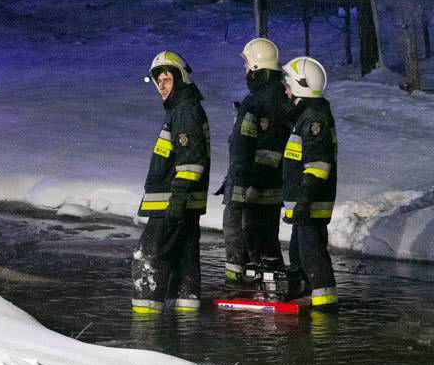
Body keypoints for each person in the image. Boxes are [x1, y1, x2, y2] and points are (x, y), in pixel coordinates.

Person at [132, 51, 211, 314]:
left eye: (167, 79)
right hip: (182, 205)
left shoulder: (184, 112)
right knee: (185, 265)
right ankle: (185, 331)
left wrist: (176, 202)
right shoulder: (185, 109)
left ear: (180, 79)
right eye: (159, 81)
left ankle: (144, 329)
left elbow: (190, 163)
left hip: (172, 205)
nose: (162, 86)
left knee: (147, 259)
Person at [219, 38, 291, 283]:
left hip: (251, 185)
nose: (245, 70)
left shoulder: (261, 100)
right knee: (265, 238)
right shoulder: (279, 95)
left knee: (239, 233)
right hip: (266, 182)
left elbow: (266, 146)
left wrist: (253, 184)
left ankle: (240, 286)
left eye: (247, 64)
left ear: (256, 68)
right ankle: (271, 285)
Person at [281, 56, 338, 310]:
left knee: (314, 258)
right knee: (300, 255)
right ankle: (307, 299)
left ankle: (325, 311)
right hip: (304, 203)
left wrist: (303, 202)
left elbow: (317, 167)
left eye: (289, 85)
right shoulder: (306, 117)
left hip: (310, 203)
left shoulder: (314, 119)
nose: (286, 90)